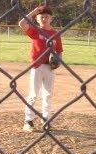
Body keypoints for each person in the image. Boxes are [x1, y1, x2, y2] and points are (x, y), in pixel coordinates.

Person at [18, 3, 63, 132]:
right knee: (33, 94)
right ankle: (28, 121)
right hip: (37, 66)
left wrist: (58, 60)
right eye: (41, 16)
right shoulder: (35, 31)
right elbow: (21, 23)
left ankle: (46, 119)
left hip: (50, 68)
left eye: (47, 16)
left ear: (51, 18)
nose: (44, 18)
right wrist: (34, 11)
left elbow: (59, 50)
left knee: (48, 94)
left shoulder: (56, 34)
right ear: (37, 19)